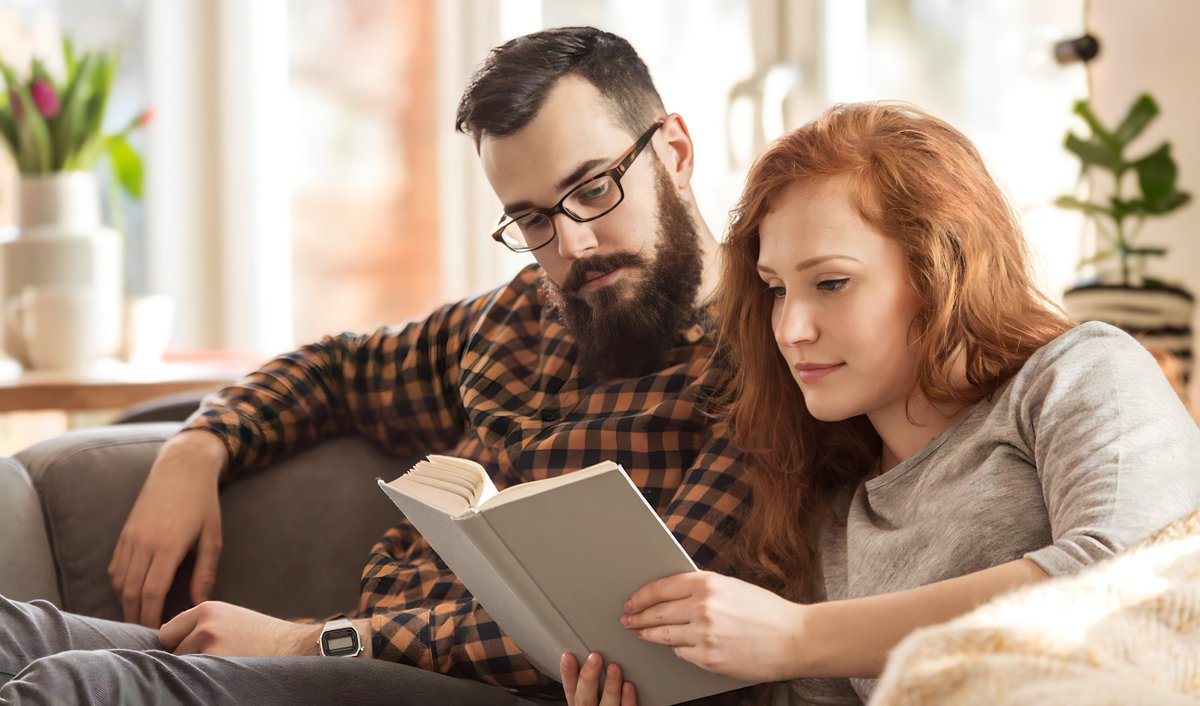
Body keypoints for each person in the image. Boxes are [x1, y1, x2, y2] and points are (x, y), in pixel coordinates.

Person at [0, 27, 751, 705]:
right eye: (532, 219)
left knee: (85, 687)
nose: (573, 247)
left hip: (486, 687)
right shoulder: (526, 316)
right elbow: (337, 370)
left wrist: (310, 641)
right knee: (14, 635)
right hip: (359, 659)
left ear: (676, 153)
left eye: (593, 189)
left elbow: (645, 628)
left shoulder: (761, 366)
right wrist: (201, 444)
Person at [559, 102, 1200, 706]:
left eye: (831, 283)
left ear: (940, 270)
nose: (791, 329)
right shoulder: (831, 512)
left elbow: (1133, 578)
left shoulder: (1081, 371)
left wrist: (798, 637)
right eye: (777, 289)